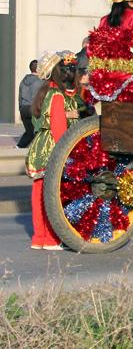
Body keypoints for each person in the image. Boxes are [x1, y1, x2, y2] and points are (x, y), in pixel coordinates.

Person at [25, 51, 83, 251]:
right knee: (52, 196)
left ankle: (38, 237)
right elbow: (59, 131)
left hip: (40, 148)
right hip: (53, 149)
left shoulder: (44, 93)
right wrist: (68, 154)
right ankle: (50, 238)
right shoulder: (57, 96)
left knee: (38, 194)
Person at [16, 60, 42, 149]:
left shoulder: (23, 81)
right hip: (33, 109)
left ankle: (19, 147)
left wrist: (20, 109)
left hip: (24, 108)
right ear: (39, 69)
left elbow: (20, 97)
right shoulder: (40, 82)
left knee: (29, 131)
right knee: (39, 131)